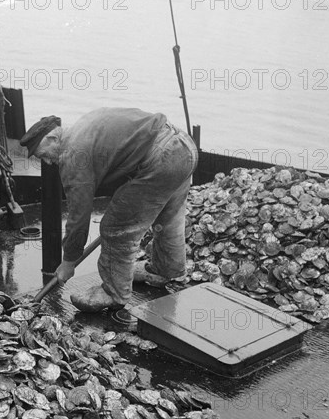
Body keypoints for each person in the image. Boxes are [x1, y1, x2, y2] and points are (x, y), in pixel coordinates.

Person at [20, 108, 198, 312]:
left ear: (52, 138)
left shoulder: (73, 155)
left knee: (116, 228)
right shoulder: (81, 127)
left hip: (162, 158)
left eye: (43, 154)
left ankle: (114, 293)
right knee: (168, 218)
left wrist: (69, 261)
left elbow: (79, 216)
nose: (48, 162)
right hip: (184, 147)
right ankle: (167, 270)